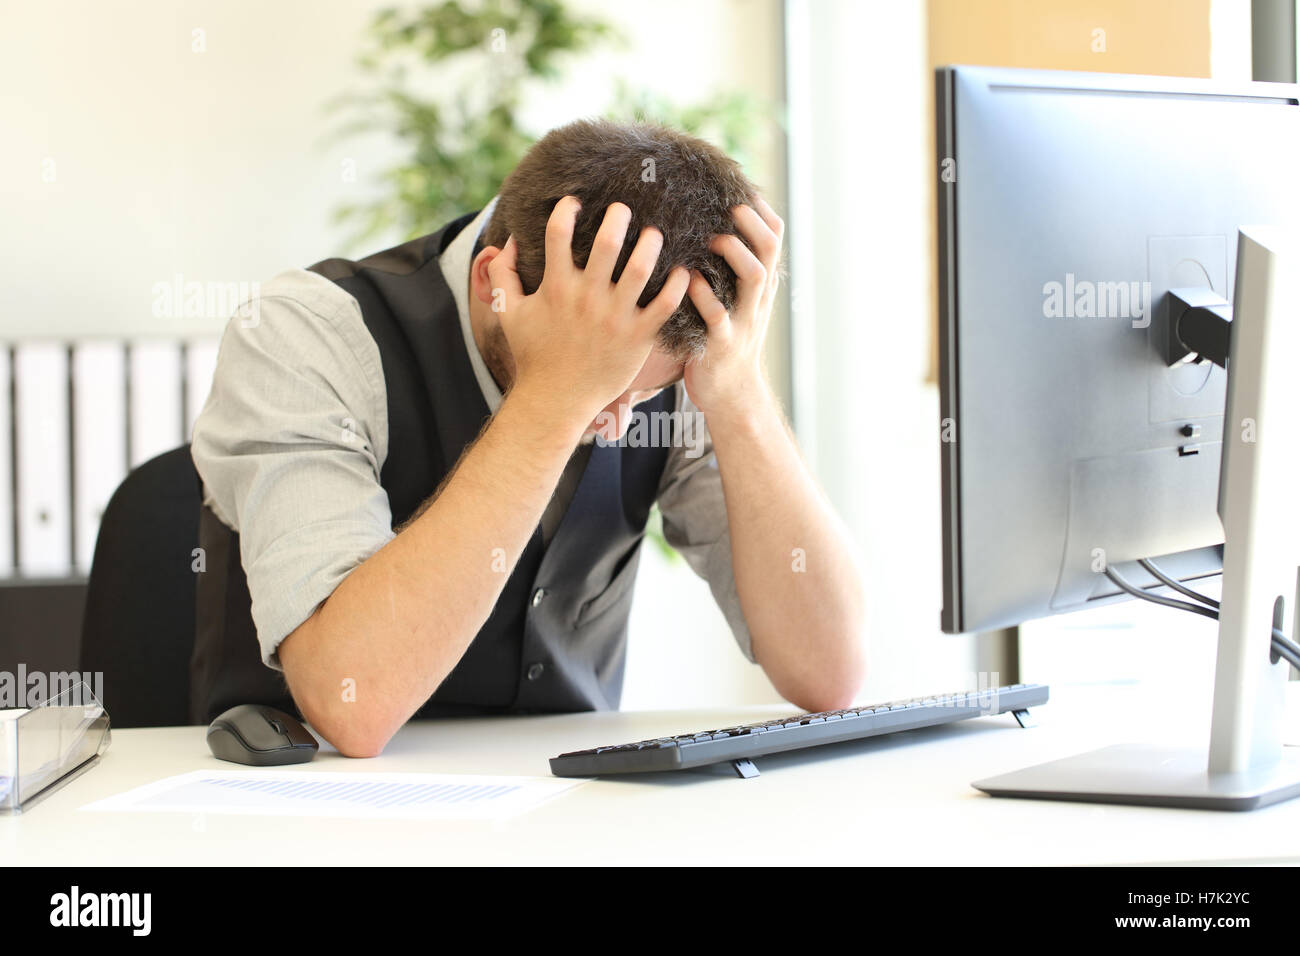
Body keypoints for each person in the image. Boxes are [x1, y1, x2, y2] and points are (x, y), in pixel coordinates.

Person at [190, 119, 865, 756]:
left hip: (567, 813)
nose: (621, 423)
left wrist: (739, 394)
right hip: (304, 816)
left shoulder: (677, 363)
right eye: (606, 387)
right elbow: (354, 704)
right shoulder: (305, 336)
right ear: (494, 284)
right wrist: (554, 397)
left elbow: (828, 672)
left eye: (646, 392)